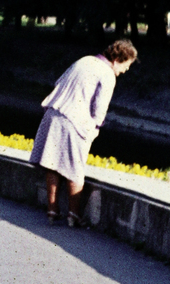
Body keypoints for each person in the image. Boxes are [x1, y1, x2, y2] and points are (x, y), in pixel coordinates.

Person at [31, 39, 138, 226]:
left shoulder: (84, 60)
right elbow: (100, 108)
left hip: (53, 113)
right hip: (75, 121)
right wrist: (94, 129)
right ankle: (73, 215)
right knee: (75, 169)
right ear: (118, 59)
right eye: (126, 65)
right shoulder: (107, 74)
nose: (126, 70)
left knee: (51, 163)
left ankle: (52, 210)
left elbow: (59, 82)